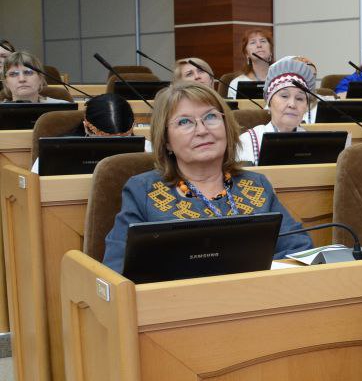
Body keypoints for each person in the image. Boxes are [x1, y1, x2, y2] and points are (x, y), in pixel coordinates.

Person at [102, 82, 312, 273]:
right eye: (184, 122)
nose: (202, 130)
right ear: (166, 141)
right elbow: (116, 270)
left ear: (226, 126)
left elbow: (300, 250)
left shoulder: (256, 185)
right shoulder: (143, 191)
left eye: (211, 117)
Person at [235, 58, 325, 164]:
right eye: (284, 96)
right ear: (269, 103)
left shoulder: (314, 144)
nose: (292, 104)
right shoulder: (247, 142)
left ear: (306, 107)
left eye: (299, 98)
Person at [31, 93, 149, 174]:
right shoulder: (54, 151)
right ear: (86, 128)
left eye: (124, 139)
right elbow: (34, 185)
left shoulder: (148, 149)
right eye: (106, 141)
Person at [2, 51, 68, 103]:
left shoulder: (62, 108)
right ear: (6, 82)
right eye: (13, 74)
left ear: (40, 78)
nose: (22, 79)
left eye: (28, 73)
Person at [226, 29, 273, 99]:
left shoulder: (284, 79)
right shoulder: (236, 83)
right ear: (247, 54)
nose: (259, 45)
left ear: (271, 51)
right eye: (253, 42)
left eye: (263, 41)